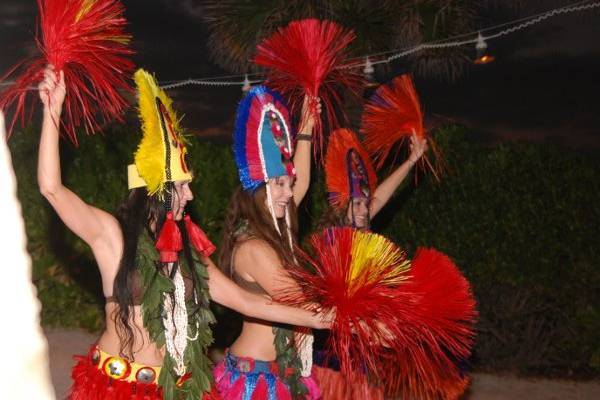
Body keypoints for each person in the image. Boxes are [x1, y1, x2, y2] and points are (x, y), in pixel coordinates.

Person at [37, 66, 331, 400]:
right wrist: (53, 110)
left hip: (173, 389)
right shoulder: (114, 237)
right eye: (181, 187)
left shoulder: (188, 250)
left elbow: (248, 301)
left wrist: (319, 318)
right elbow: (52, 188)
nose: (189, 196)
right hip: (115, 387)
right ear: (158, 191)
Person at [214, 86, 322, 399]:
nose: (288, 192)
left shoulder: (278, 230)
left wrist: (306, 130)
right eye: (278, 184)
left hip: (282, 374)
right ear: (257, 187)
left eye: (288, 183)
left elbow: (298, 185)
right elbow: (300, 300)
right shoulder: (254, 248)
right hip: (255, 382)